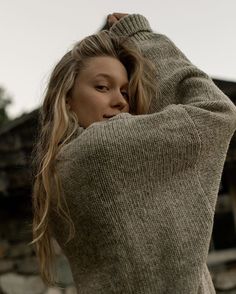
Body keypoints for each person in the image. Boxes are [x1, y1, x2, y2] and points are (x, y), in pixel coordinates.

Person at [30, 13, 236, 293]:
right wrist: (143, 37)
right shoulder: (103, 149)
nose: (119, 101)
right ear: (67, 98)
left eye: (126, 93)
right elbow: (217, 112)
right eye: (102, 87)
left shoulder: (59, 167)